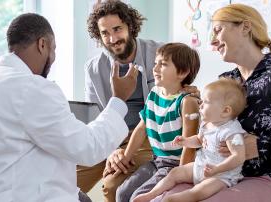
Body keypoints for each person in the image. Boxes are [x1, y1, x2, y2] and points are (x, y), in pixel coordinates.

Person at [153, 3, 271, 202]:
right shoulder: (226, 80)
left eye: (217, 30)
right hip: (223, 176)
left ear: (245, 27)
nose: (213, 41)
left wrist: (261, 146)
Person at [0, 13, 139, 202]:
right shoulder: (30, 88)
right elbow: (89, 148)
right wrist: (119, 99)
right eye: (53, 49)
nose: (53, 57)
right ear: (42, 44)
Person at [81, 1, 199, 201]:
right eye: (105, 33)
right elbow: (95, 117)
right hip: (109, 136)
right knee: (65, 177)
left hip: (149, 137)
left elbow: (183, 92)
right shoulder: (93, 68)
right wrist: (112, 149)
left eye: (117, 29)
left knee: (112, 185)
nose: (112, 38)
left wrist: (192, 95)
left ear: (130, 26)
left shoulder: (161, 54)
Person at [133, 78, 247, 202]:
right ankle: (151, 194)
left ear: (225, 111)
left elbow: (238, 157)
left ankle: (173, 199)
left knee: (198, 192)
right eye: (201, 101)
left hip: (221, 176)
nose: (201, 104)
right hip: (200, 167)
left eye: (206, 102)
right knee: (175, 173)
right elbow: (198, 140)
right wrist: (185, 141)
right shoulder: (207, 124)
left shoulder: (231, 131)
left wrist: (217, 169)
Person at [116, 43, 200, 202]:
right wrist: (126, 157)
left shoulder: (187, 102)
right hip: (156, 160)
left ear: (182, 72)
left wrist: (181, 176)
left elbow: (189, 144)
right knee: (122, 193)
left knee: (138, 198)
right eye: (156, 63)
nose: (155, 69)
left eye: (163, 64)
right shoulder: (154, 94)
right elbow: (142, 128)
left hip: (175, 166)